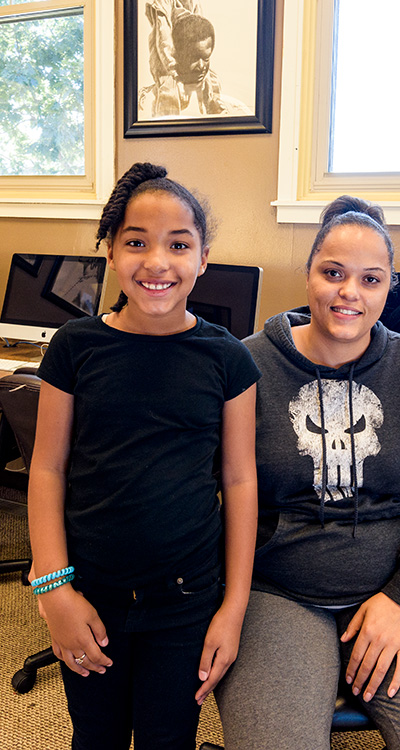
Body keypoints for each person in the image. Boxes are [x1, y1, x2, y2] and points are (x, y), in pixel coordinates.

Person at [215, 195, 400, 749]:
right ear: (308, 276)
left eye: (371, 279)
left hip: (398, 588)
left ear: (389, 286)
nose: (350, 292)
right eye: (333, 273)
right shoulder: (245, 366)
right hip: (278, 593)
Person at [28, 162, 260, 750]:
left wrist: (233, 608)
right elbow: (48, 468)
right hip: (91, 591)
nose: (157, 261)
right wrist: (52, 589)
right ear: (110, 252)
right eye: (136, 242)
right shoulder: (76, 347)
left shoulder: (228, 359)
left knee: (168, 735)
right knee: (96, 734)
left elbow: (238, 481)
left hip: (185, 603)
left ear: (203, 258)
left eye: (179, 245)